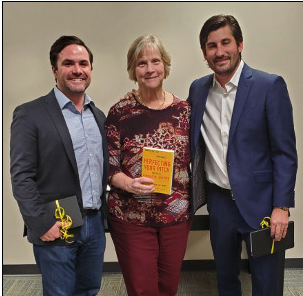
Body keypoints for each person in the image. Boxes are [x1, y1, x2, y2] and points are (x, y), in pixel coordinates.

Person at [187, 15, 297, 296]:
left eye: (226, 42)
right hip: (220, 204)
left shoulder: (269, 86)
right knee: (225, 277)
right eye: (212, 46)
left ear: (240, 45)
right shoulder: (198, 90)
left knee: (265, 282)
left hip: (261, 205)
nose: (219, 52)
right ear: (204, 53)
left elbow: (284, 152)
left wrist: (281, 206)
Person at [10, 35, 109, 296]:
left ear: (90, 69)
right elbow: (21, 176)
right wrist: (41, 223)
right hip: (57, 224)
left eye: (83, 63)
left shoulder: (98, 116)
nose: (77, 70)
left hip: (95, 224)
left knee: (89, 290)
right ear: (55, 70)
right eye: (68, 63)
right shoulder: (30, 114)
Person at [105, 34, 196, 296]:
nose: (149, 69)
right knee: (143, 290)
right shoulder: (119, 112)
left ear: (165, 66)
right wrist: (130, 184)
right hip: (132, 217)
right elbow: (111, 169)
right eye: (141, 63)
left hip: (176, 218)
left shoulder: (185, 111)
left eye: (155, 61)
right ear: (133, 70)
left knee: (168, 288)